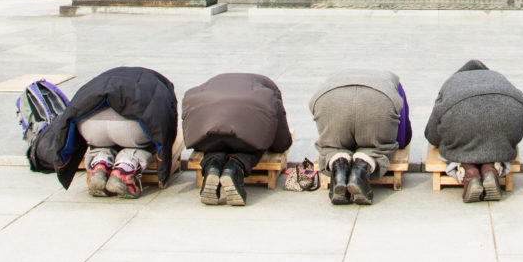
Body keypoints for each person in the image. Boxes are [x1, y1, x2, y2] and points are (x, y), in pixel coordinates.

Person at [30, 66, 178, 199]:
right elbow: (163, 124)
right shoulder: (159, 85)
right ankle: (124, 169)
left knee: (100, 141)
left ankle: (100, 163)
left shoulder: (103, 78)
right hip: (130, 126)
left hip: (89, 123)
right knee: (145, 141)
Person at [425, 59, 523, 202]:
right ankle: (491, 168)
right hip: (509, 117)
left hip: (461, 116)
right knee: (497, 138)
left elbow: (432, 135)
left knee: (452, 147)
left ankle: (468, 172)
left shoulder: (451, 82)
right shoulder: (498, 76)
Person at [182, 72, 293, 206]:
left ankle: (213, 166)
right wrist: (280, 145)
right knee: (254, 143)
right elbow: (280, 140)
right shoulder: (269, 93)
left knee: (216, 142)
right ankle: (234, 168)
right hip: (244, 138)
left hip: (207, 134)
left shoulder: (208, 85)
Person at [310, 68, 412, 206]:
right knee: (376, 148)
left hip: (330, 100)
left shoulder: (331, 77)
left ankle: (338, 167)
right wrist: (385, 142)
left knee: (332, 145)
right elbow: (402, 134)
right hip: (379, 101)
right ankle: (361, 169)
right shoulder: (395, 82)